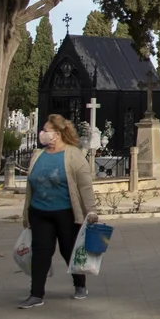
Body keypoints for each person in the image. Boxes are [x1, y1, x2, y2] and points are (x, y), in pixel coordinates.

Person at [20, 113, 99, 308]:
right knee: (40, 252)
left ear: (57, 134)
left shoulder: (73, 155)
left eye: (46, 131)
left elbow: (84, 186)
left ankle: (79, 284)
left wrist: (91, 211)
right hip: (39, 212)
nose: (42, 134)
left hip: (66, 212)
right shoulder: (38, 155)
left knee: (68, 250)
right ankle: (36, 294)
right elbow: (30, 186)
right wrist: (26, 213)